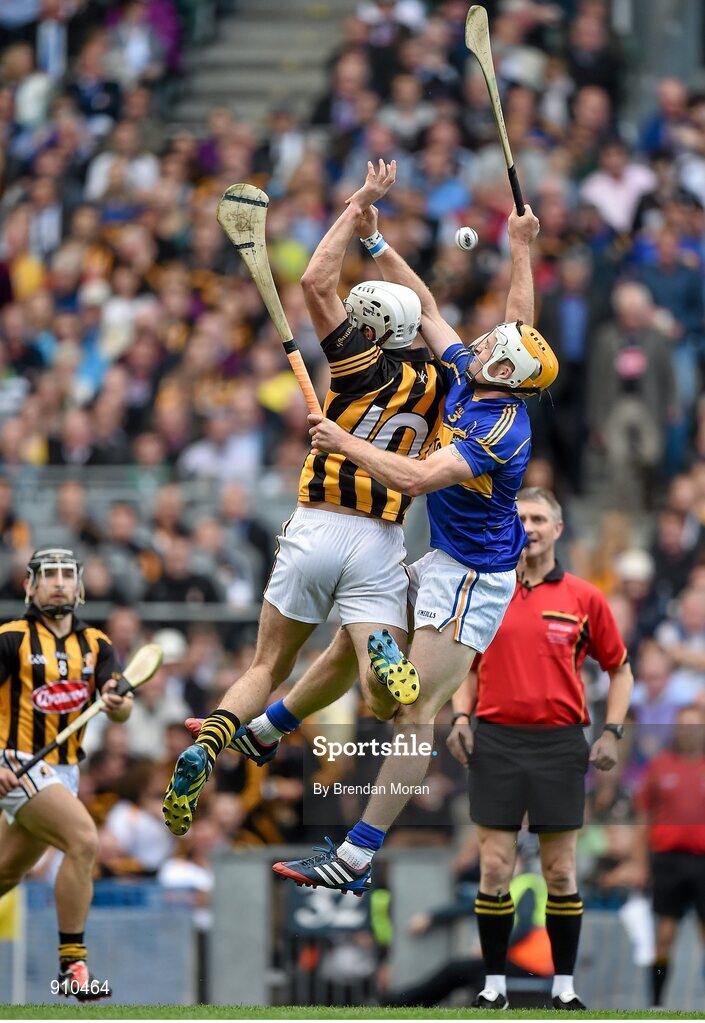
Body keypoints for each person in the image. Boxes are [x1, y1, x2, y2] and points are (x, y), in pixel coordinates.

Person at [273, 198, 558, 898]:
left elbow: (419, 476)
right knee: (357, 632)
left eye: (494, 346)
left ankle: (356, 854)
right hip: (440, 559)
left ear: (508, 376)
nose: (483, 338)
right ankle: (268, 723)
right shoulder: (478, 371)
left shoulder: (500, 428)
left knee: (410, 713)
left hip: (471, 578)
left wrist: (345, 441)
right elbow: (430, 307)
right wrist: (378, 241)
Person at [162, 161, 445, 842]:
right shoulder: (440, 378)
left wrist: (356, 209)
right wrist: (382, 242)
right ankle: (377, 642)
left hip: (315, 526)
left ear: (368, 323)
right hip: (379, 536)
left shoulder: (352, 361)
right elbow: (429, 308)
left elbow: (316, 279)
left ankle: (212, 741)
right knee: (377, 697)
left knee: (266, 664)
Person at [443, 488, 633, 1010]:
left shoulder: (584, 597)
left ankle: (565, 989)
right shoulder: (486, 590)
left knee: (561, 872)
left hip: (560, 743)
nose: (528, 526)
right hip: (496, 740)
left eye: (538, 518)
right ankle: (494, 988)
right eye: (519, 517)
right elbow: (465, 665)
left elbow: (620, 670)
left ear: (558, 528)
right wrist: (461, 716)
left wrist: (612, 731)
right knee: (495, 868)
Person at [0, 548, 132, 1000]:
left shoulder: (97, 645)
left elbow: (122, 706)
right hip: (17, 764)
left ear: (79, 586)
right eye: (47, 575)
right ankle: (72, 965)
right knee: (84, 840)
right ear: (29, 586)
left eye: (66, 575)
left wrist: (118, 701)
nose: (57, 582)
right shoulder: (10, 638)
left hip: (65, 773)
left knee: (5, 873)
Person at [635, 705, 705, 1009]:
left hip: (703, 861)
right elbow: (642, 816)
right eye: (683, 725)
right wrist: (639, 863)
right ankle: (656, 1004)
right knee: (664, 936)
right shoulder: (660, 766)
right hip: (668, 860)